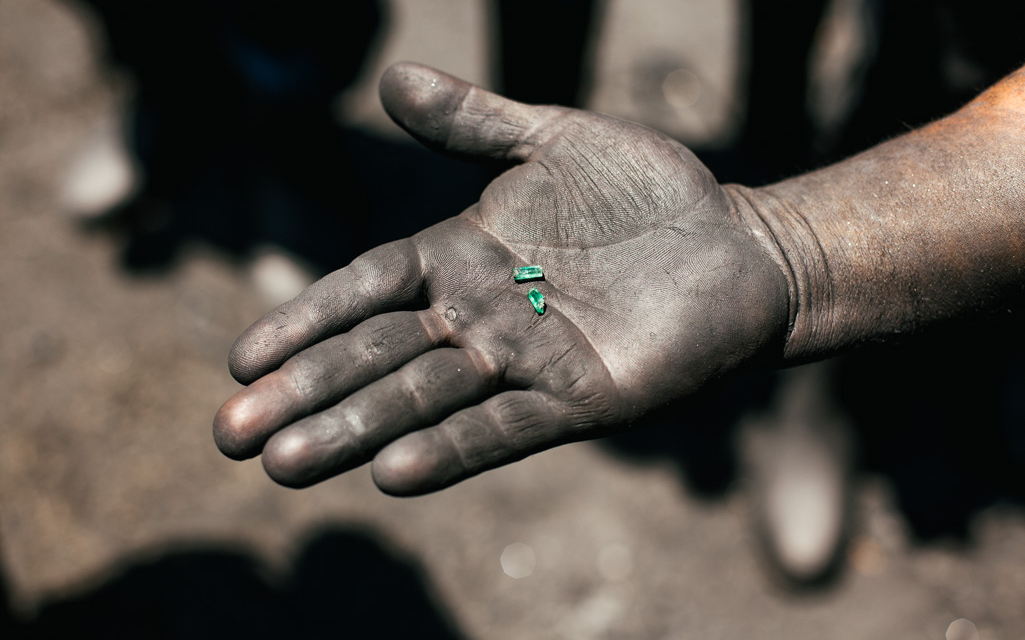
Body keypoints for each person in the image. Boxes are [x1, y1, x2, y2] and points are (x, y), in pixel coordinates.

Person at [213, 60, 1024, 497]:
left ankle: (834, 404)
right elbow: (532, 281)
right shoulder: (531, 278)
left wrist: (789, 249)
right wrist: (786, 243)